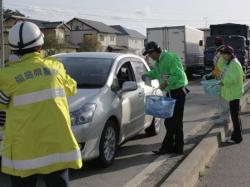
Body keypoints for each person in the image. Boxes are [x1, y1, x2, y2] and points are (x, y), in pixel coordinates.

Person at [0, 21, 82, 187]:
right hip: (57, 151)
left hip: (23, 155)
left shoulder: (6, 76)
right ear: (40, 46)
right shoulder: (56, 68)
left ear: (14, 49)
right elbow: (72, 88)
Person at [142, 41, 188, 155]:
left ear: (155, 51)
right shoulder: (158, 62)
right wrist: (147, 75)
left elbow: (179, 75)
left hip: (178, 92)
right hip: (170, 92)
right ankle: (170, 147)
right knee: (169, 122)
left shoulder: (171, 57)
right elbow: (157, 73)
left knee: (175, 122)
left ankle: (176, 148)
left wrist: (166, 83)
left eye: (150, 53)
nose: (149, 56)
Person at [219, 45, 244, 144]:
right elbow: (220, 66)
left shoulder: (234, 64)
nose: (223, 56)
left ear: (230, 54)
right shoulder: (229, 62)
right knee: (235, 116)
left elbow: (234, 78)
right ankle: (237, 135)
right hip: (233, 92)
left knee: (235, 116)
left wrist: (223, 82)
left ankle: (237, 138)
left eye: (225, 54)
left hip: (234, 92)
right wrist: (220, 55)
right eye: (222, 54)